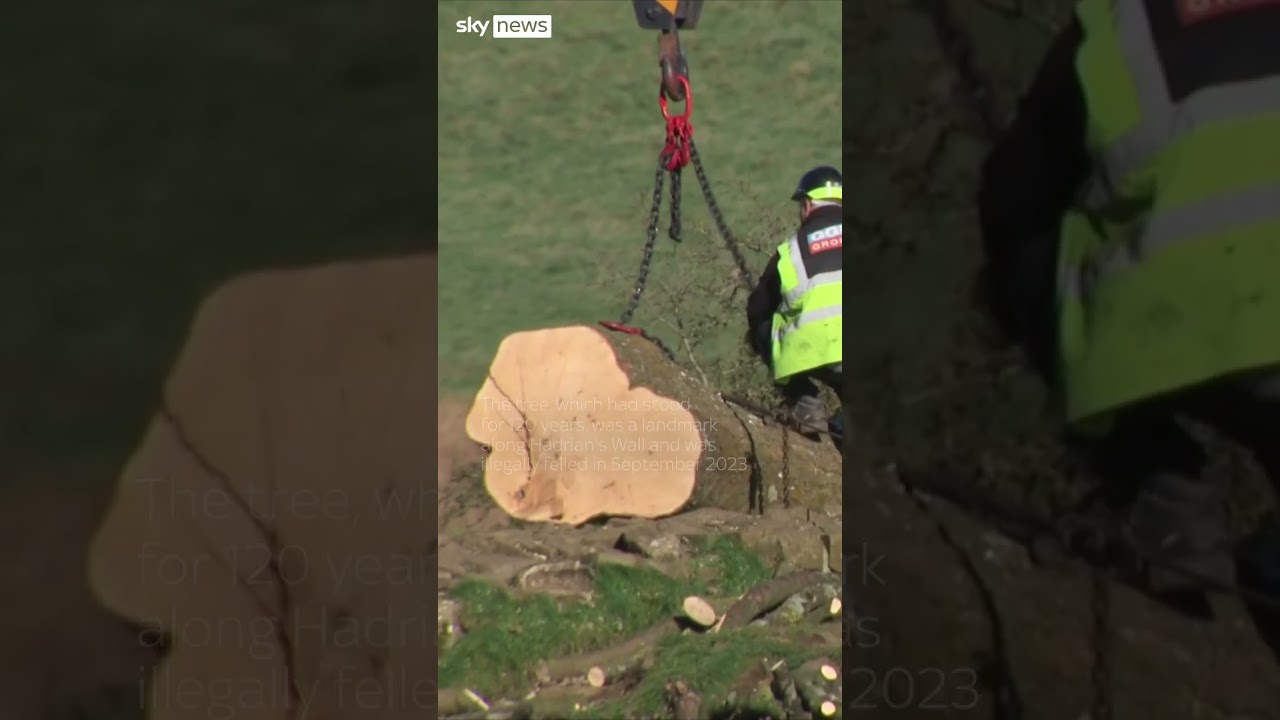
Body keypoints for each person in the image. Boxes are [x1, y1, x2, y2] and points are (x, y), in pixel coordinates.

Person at [977, 0, 1280, 595]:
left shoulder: (1117, 31)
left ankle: (1166, 497)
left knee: (1030, 264)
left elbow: (1014, 196)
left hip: (1166, 324)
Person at [746, 166, 844, 436]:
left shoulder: (792, 250)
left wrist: (756, 338)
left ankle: (805, 401)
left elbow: (757, 310)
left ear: (809, 204)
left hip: (814, 350)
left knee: (765, 328)